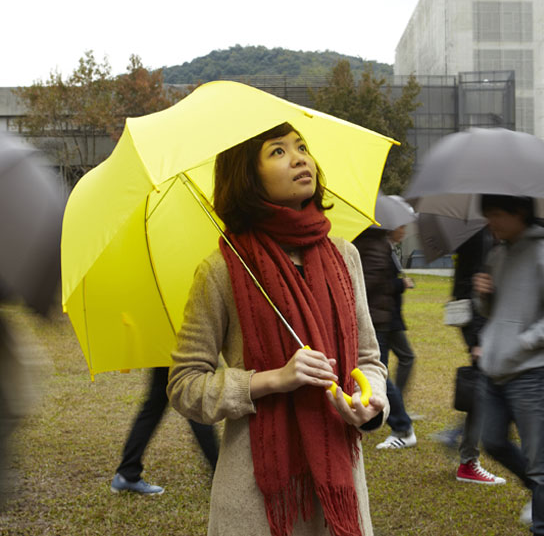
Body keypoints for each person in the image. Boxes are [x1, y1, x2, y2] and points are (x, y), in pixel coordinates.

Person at [167, 122, 389, 536]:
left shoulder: (346, 256)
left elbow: (368, 360)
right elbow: (184, 385)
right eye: (277, 151)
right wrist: (272, 380)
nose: (300, 157)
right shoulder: (221, 270)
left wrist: (370, 400)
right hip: (256, 502)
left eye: (301, 146)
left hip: (340, 492)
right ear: (247, 177)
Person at [474, 194, 544, 535]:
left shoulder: (543, 253)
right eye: (487, 215)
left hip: (532, 374)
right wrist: (485, 295)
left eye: (496, 214)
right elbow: (494, 313)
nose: (491, 223)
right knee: (491, 441)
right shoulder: (497, 253)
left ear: (519, 212)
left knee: (541, 465)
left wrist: (523, 343)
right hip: (494, 372)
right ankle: (539, 493)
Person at [433, 227, 505, 486]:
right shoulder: (479, 235)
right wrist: (477, 339)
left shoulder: (481, 232)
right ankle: (467, 460)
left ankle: (457, 437)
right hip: (479, 322)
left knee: (490, 387)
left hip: (483, 321)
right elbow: (470, 287)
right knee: (485, 387)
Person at [352, 226, 416, 450]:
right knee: (383, 370)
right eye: (401, 228)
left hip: (375, 319)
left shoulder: (372, 246)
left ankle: (402, 427)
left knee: (378, 374)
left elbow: (367, 286)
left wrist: (400, 284)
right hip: (380, 317)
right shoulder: (376, 245)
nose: (404, 232)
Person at [111, 367, 219, 495]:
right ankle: (221, 474)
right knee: (195, 406)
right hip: (180, 352)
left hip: (165, 352)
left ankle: (127, 472)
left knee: (156, 404)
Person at [386, 225, 416, 400]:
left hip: (389, 315)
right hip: (387, 316)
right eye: (401, 228)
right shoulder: (382, 249)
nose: (404, 232)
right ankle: (397, 402)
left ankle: (395, 402)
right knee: (407, 357)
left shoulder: (389, 248)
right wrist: (401, 284)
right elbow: (379, 283)